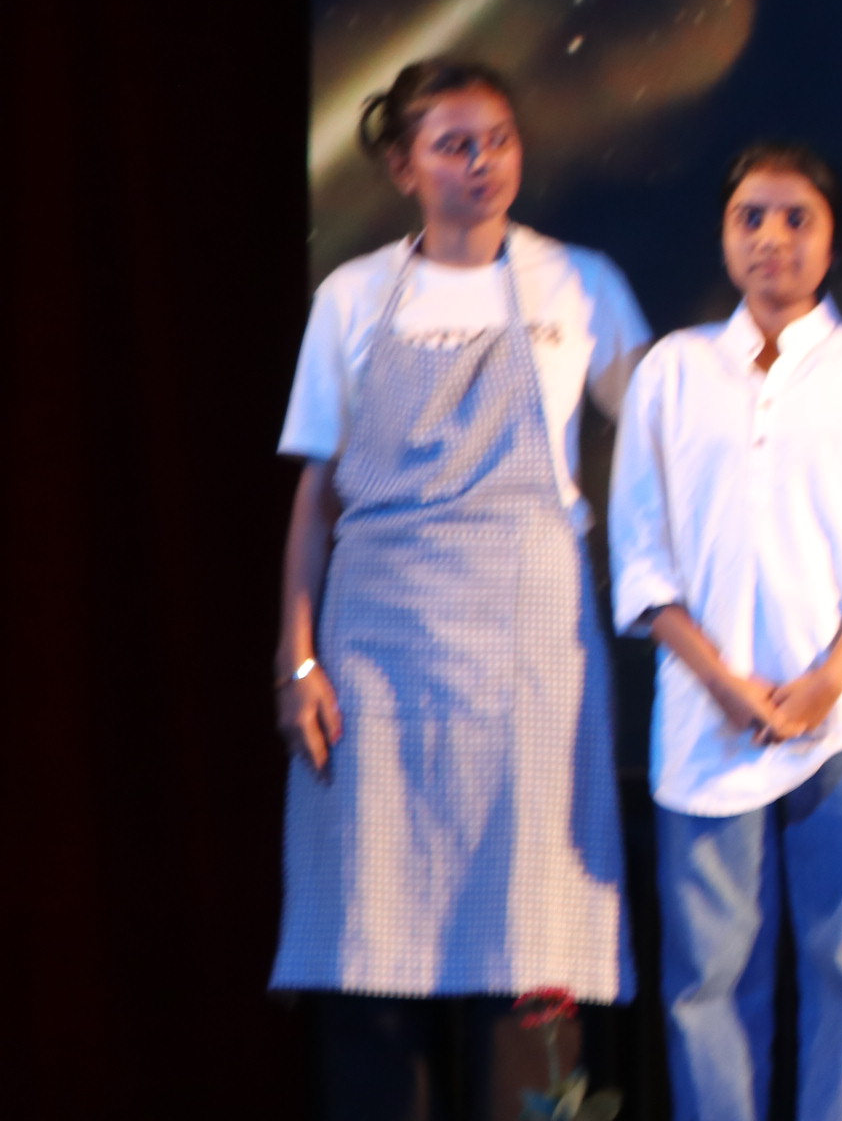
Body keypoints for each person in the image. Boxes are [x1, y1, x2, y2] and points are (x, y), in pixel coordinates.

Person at [270, 60, 649, 1120]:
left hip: (532, 645)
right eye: (453, 144)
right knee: (370, 942)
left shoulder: (580, 283)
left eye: (498, 140)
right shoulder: (352, 296)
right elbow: (317, 493)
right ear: (403, 167)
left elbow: (670, 433)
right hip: (376, 649)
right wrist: (296, 657)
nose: (482, 162)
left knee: (535, 941)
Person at [608, 143, 842, 1121]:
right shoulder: (673, 370)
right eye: (750, 217)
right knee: (708, 978)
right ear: (724, 236)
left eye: (797, 218)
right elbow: (640, 552)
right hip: (708, 714)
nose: (772, 238)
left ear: (832, 238)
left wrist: (825, 683)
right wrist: (723, 682)